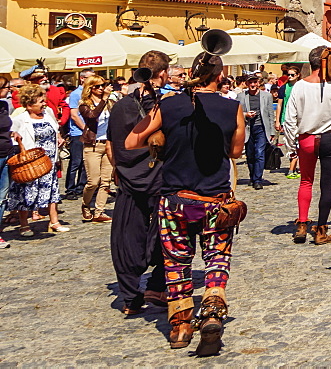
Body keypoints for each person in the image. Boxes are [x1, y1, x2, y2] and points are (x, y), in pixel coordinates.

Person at [125, 47, 247, 355]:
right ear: (220, 77)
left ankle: (180, 327)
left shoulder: (169, 105)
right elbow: (235, 153)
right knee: (217, 259)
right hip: (215, 200)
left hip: (175, 200)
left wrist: (161, 134)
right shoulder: (231, 108)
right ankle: (213, 307)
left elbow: (131, 141)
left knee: (176, 263)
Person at [106, 51, 169, 316]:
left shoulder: (120, 106)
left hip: (129, 179)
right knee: (167, 234)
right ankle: (157, 284)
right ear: (163, 73)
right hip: (160, 179)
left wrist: (120, 170)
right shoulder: (165, 105)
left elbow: (110, 146)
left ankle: (131, 299)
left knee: (127, 237)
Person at [284, 46, 331, 245]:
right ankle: (321, 230)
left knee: (305, 181)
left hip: (306, 139)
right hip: (330, 138)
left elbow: (290, 119)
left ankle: (302, 224)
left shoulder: (299, 86)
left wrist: (291, 145)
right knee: (326, 185)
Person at [10, 83, 69, 234]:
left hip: (49, 161)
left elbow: (55, 128)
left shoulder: (48, 113)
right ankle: (24, 224)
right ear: (29, 105)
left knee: (51, 190)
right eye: (40, 101)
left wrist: (59, 137)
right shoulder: (20, 118)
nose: (44, 104)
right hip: (32, 163)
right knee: (28, 192)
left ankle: (54, 221)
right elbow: (13, 137)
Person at [79, 76, 113, 223]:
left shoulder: (110, 103)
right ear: (90, 88)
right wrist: (104, 99)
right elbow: (92, 117)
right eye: (98, 86)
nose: (101, 88)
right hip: (92, 145)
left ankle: (99, 211)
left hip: (108, 144)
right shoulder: (85, 104)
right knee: (93, 181)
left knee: (106, 181)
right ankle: (85, 205)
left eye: (103, 85)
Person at [235, 74, 276, 190]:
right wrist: (245, 115)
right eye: (250, 83)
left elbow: (269, 113)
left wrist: (272, 131)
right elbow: (236, 113)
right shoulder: (241, 96)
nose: (253, 85)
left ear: (258, 83)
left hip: (261, 128)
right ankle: (252, 176)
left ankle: (258, 179)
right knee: (250, 154)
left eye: (255, 82)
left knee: (259, 153)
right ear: (247, 84)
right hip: (247, 128)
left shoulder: (266, 96)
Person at [64, 70, 94, 200]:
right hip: (78, 132)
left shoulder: (90, 94)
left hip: (88, 131)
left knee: (85, 161)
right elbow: (74, 115)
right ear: (82, 79)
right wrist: (86, 129)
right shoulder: (76, 94)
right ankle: (70, 188)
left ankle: (81, 187)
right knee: (75, 162)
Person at [277, 66, 302, 178]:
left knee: (299, 144)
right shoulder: (284, 88)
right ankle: (293, 168)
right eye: (289, 75)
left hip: (300, 119)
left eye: (292, 75)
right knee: (290, 144)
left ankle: (293, 169)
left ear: (298, 75)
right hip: (287, 119)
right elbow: (279, 105)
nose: (290, 77)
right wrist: (277, 120)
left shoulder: (302, 87)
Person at [0, 77, 13, 248]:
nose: (9, 90)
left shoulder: (3, 105)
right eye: (6, 87)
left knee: (2, 197)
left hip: (6, 152)